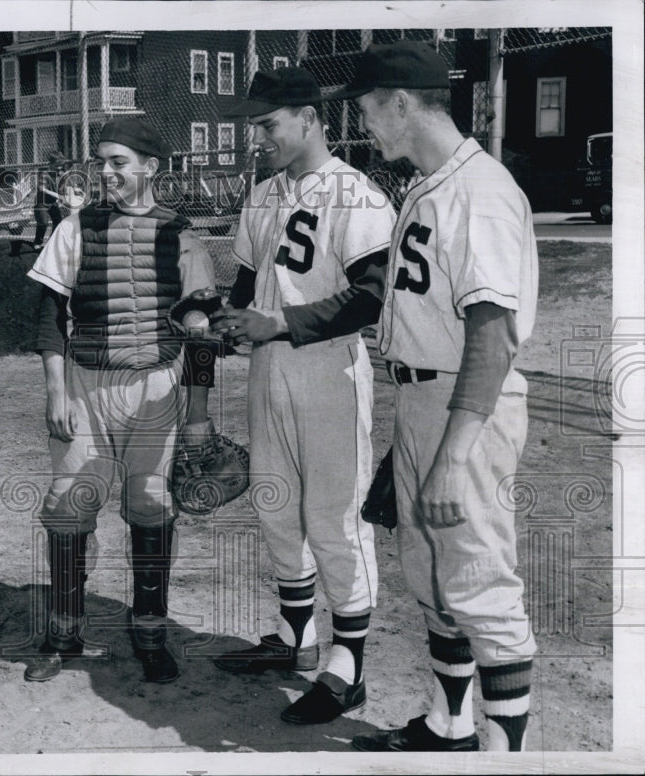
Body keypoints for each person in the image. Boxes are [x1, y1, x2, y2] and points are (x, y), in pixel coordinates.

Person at [331, 41, 538, 752]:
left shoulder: (480, 191)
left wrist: (452, 457)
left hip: (467, 409)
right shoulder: (430, 182)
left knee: (481, 584)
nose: (364, 127)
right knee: (433, 578)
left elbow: (492, 334)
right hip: (424, 401)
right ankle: (448, 727)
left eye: (365, 110)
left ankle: (500, 756)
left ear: (400, 102)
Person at [209, 67, 395, 725]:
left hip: (329, 374)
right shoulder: (262, 196)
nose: (257, 137)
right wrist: (215, 321)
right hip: (269, 369)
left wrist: (278, 323)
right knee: (274, 504)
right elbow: (247, 286)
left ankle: (348, 665)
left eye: (268, 124)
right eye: (254, 125)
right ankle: (295, 637)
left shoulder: (357, 194)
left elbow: (370, 296)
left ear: (312, 117)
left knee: (335, 517)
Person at [24, 116, 218, 684]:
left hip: (155, 387)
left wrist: (200, 416)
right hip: (86, 386)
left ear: (150, 168)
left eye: (118, 162)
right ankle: (63, 631)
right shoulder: (75, 228)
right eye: (101, 162)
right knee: (68, 506)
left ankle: (151, 629)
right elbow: (48, 316)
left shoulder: (181, 235)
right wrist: (55, 391)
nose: (106, 172)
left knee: (152, 508)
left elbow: (202, 336)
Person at [32, 151, 65, 248]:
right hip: (42, 203)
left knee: (58, 222)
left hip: (53, 203)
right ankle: (37, 242)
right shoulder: (44, 174)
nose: (59, 168)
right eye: (57, 165)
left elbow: (63, 190)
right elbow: (41, 189)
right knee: (43, 223)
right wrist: (56, 195)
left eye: (61, 165)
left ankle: (51, 243)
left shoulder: (61, 174)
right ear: (51, 164)